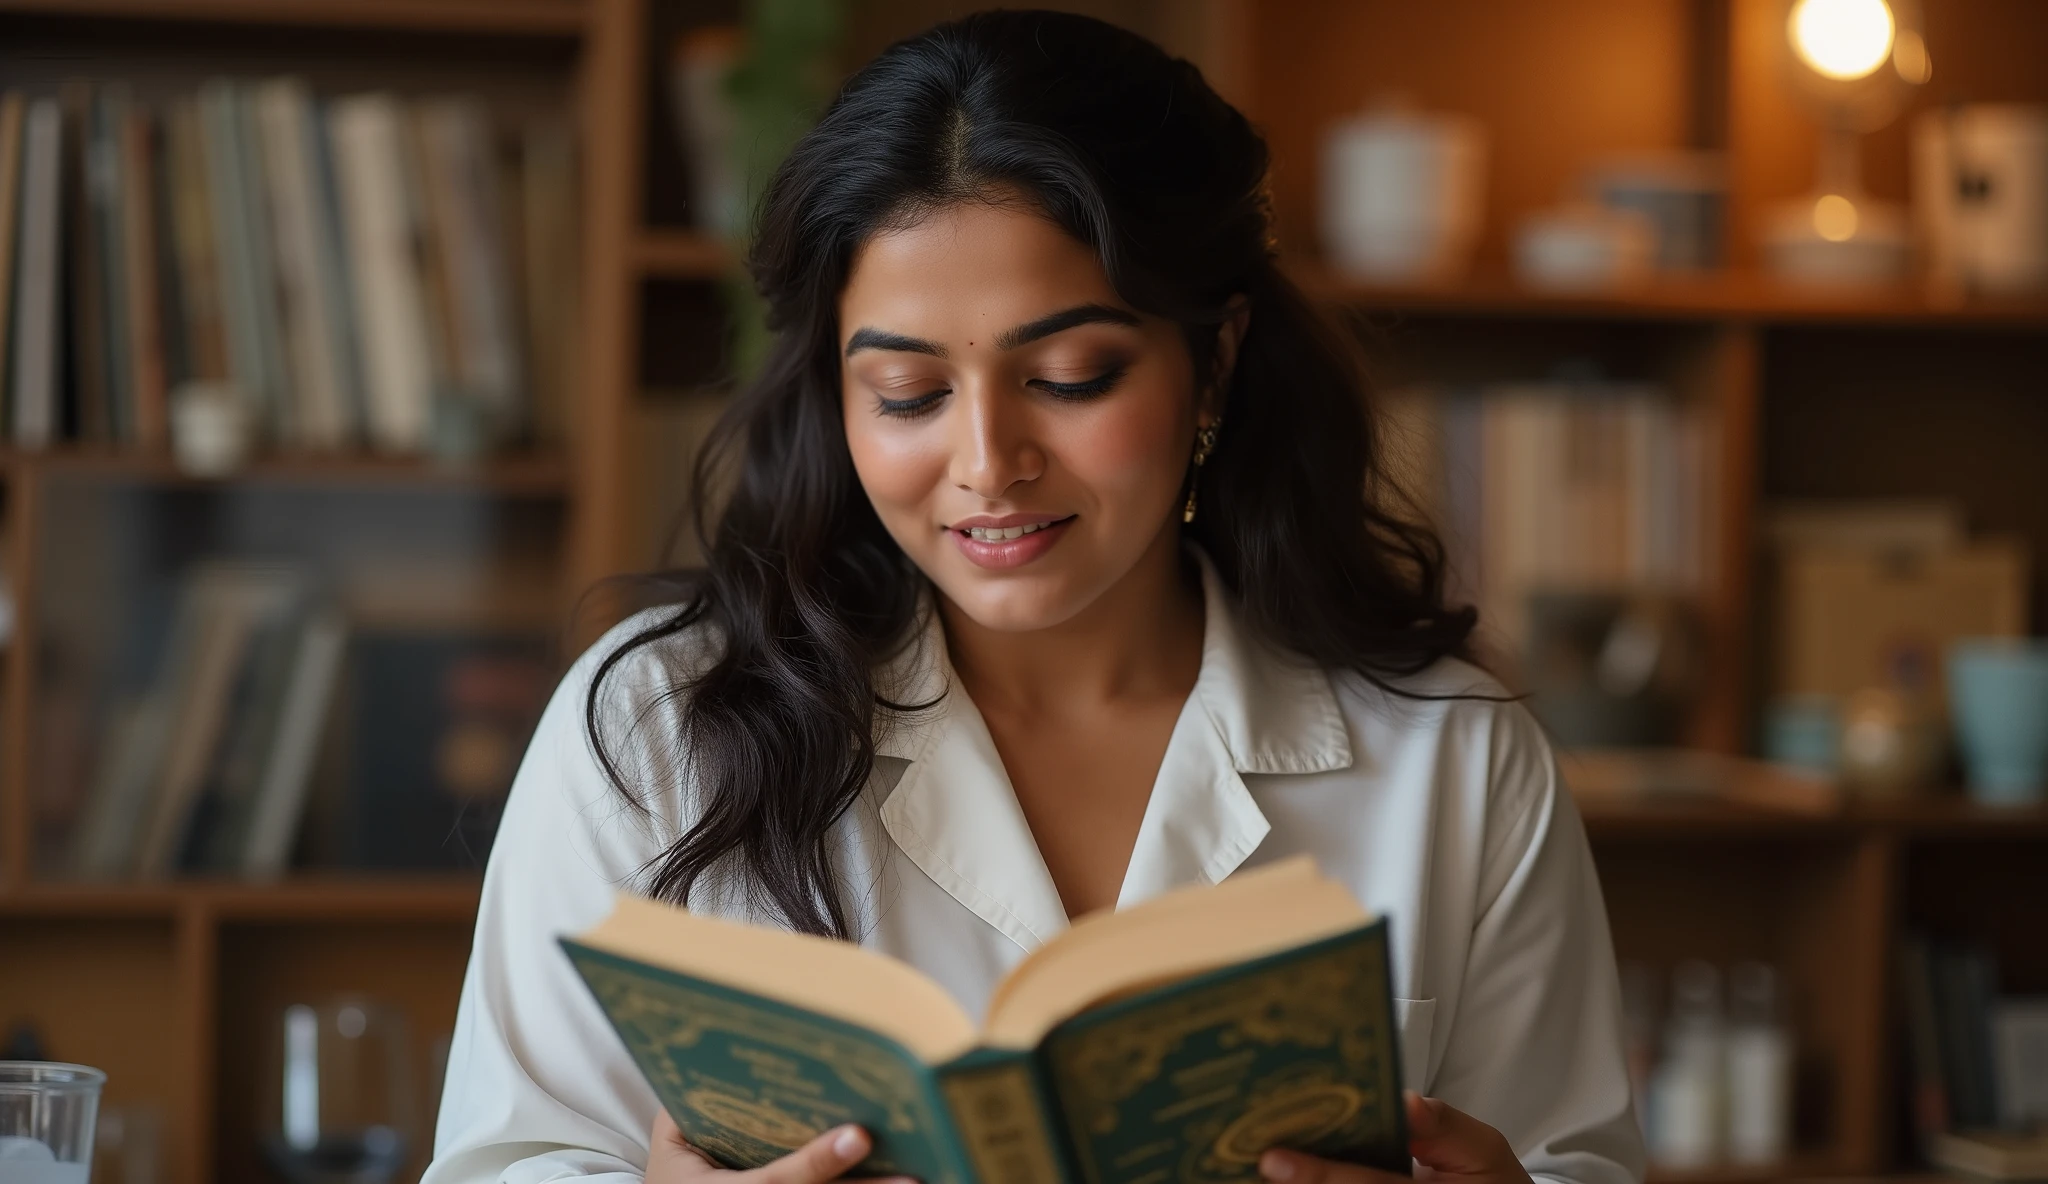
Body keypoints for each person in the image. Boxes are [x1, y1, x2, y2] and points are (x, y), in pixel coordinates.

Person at [424, 11, 1643, 1184]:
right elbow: (509, 1159)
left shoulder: (1453, 754)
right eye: (907, 392)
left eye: (1069, 376)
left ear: (1211, 360)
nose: (986, 460)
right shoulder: (655, 719)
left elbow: (1565, 1155)